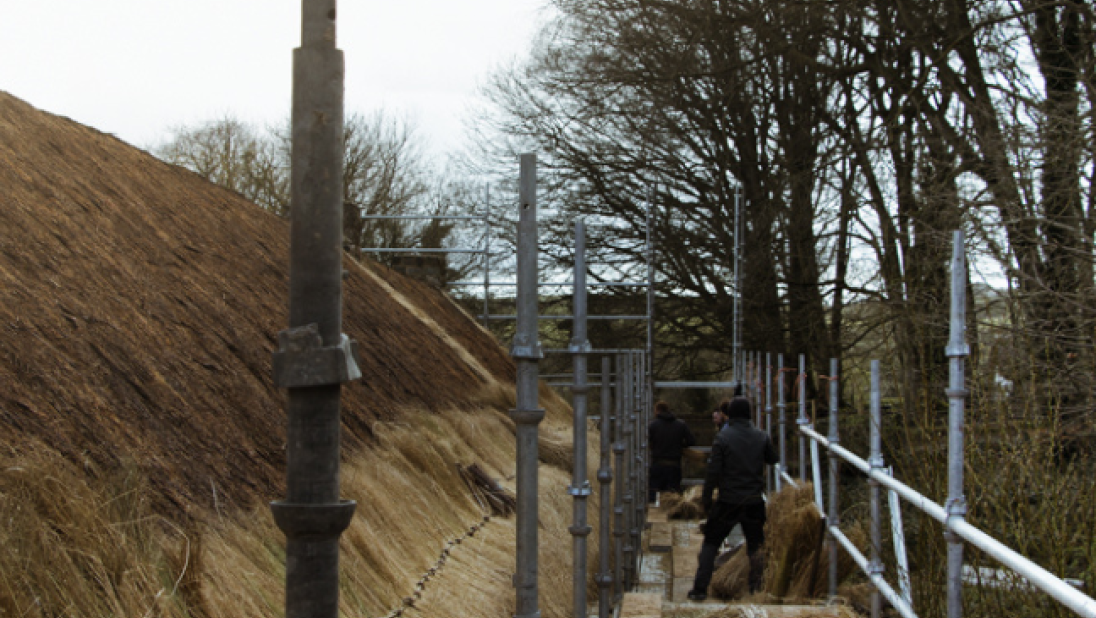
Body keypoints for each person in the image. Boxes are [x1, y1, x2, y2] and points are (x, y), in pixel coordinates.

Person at [688, 396, 778, 601]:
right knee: (756, 546)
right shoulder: (761, 436)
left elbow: (713, 472)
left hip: (728, 500)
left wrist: (707, 498)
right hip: (754, 500)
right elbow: (774, 459)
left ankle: (700, 588)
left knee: (711, 542)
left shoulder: (723, 437)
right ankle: (756, 589)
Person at [647, 400, 696, 502]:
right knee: (673, 498)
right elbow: (691, 441)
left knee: (654, 497)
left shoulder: (653, 425)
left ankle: (654, 514)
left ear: (657, 411)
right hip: (674, 466)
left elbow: (647, 442)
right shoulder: (680, 425)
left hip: (658, 466)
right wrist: (680, 445)